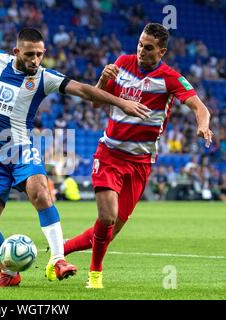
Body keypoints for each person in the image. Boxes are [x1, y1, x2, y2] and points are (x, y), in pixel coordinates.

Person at [0, 26, 150, 288]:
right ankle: (9, 273)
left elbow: (85, 91)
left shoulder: (44, 78)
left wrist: (120, 102)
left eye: (40, 55)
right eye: (30, 55)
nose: (35, 61)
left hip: (21, 150)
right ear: (16, 51)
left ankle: (58, 259)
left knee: (40, 191)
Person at [59, 23, 214, 289]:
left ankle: (59, 250)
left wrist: (203, 124)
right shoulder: (122, 63)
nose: (141, 50)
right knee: (106, 218)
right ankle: (95, 274)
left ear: (162, 51)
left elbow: (199, 106)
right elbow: (96, 102)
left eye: (149, 47)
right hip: (109, 153)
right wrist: (102, 80)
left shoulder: (170, 78)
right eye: (140, 44)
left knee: (111, 230)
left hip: (140, 163)